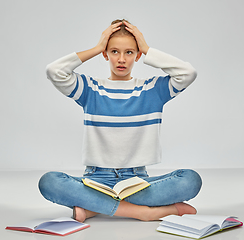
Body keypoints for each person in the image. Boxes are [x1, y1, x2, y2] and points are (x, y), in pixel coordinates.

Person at [38, 20, 202, 223]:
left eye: (129, 52)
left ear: (138, 55)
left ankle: (94, 208)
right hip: (96, 179)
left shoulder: (152, 90)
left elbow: (188, 73)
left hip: (136, 181)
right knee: (49, 182)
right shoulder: (90, 89)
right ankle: (143, 212)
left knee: (190, 180)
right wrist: (97, 48)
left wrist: (147, 48)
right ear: (105, 55)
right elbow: (54, 71)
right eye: (114, 51)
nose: (121, 59)